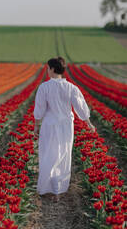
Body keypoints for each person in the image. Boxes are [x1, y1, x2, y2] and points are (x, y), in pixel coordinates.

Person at [33, 57, 95, 202]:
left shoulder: (44, 87)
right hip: (66, 125)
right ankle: (58, 191)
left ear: (53, 69)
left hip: (49, 125)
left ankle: (46, 187)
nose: (47, 71)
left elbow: (40, 108)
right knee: (63, 155)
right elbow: (81, 106)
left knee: (48, 154)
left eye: (48, 68)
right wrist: (89, 123)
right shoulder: (71, 88)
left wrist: (36, 125)